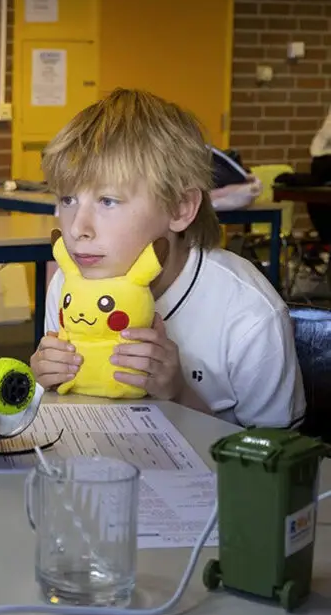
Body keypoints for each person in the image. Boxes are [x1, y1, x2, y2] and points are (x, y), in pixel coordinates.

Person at [29, 88, 306, 429]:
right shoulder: (66, 287)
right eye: (68, 200)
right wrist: (44, 384)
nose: (77, 229)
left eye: (108, 201)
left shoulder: (248, 312)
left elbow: (275, 462)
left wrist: (179, 395)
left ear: (180, 208)